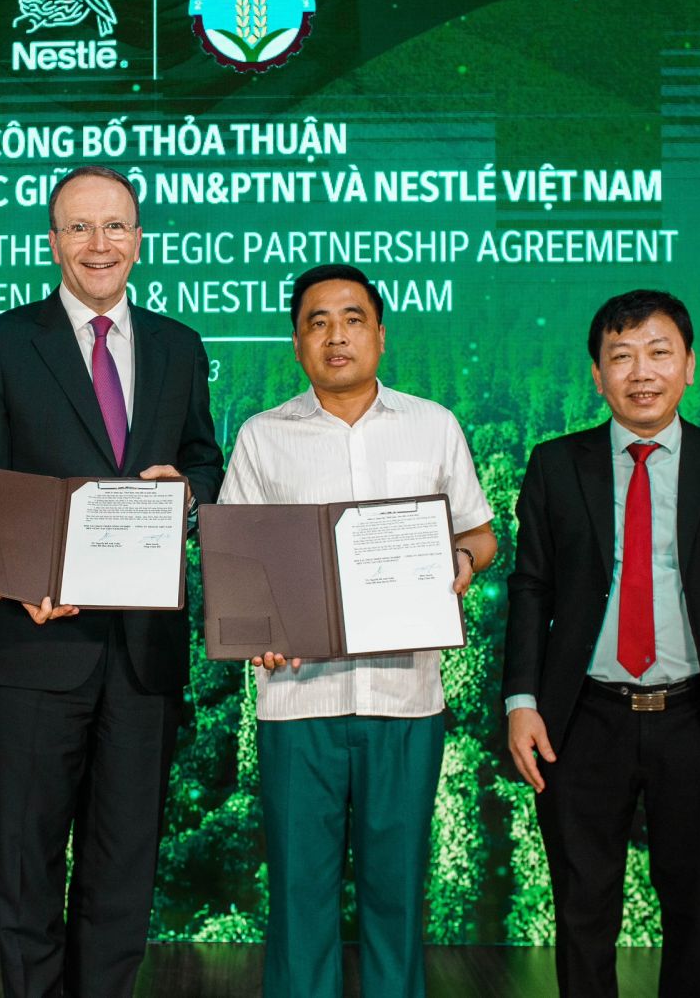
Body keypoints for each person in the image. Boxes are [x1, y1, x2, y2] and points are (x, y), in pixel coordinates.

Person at [0, 165, 223, 997]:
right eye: (79, 227)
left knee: (124, 864)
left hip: (143, 653)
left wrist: (188, 492)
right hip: (36, 643)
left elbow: (205, 459)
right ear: (53, 241)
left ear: (138, 240)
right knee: (29, 863)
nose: (98, 244)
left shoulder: (178, 346)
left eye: (114, 227)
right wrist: (17, 577)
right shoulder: (2, 343)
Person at [217, 263, 496, 998]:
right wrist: (256, 626)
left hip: (404, 700)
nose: (335, 336)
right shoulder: (263, 437)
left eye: (352, 319)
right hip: (296, 702)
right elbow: (235, 559)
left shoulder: (432, 425)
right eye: (318, 322)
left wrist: (462, 560)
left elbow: (480, 532)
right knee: (298, 900)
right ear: (297, 342)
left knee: (396, 898)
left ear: (380, 334)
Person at [503, 289, 700, 997]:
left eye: (659, 353)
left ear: (690, 365)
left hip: (698, 719)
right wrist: (521, 701)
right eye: (621, 356)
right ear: (597, 375)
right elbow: (530, 589)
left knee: (696, 911)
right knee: (582, 911)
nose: (641, 372)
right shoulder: (556, 464)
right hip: (580, 720)